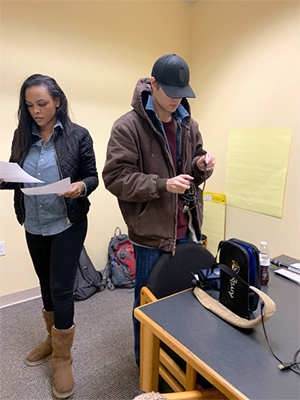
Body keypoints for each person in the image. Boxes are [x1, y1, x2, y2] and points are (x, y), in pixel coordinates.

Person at [102, 53, 215, 366]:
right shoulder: (128, 126)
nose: (177, 100)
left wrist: (202, 166)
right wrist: (163, 185)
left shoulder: (188, 124)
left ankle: (179, 363)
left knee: (189, 301)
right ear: (152, 84)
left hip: (188, 229)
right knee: (150, 307)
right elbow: (116, 178)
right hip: (150, 235)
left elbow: (195, 164)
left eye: (182, 94)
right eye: (170, 92)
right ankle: (147, 369)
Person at [0, 74, 98, 398]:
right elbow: (18, 176)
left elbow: (91, 177)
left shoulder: (78, 136)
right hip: (34, 223)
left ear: (57, 101)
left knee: (61, 287)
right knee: (45, 284)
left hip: (67, 222)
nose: (35, 111)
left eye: (41, 104)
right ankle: (51, 337)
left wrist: (80, 187)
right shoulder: (21, 135)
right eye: (29, 106)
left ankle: (62, 357)